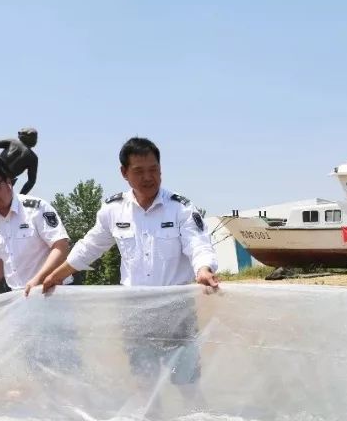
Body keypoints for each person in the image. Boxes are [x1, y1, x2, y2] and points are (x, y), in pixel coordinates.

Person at [40, 137, 218, 397]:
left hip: (176, 309)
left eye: (153, 169)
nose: (148, 177)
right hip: (135, 310)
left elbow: (198, 243)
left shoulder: (180, 207)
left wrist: (204, 269)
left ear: (161, 169)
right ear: (124, 173)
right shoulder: (113, 210)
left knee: (186, 381)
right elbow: (89, 247)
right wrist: (56, 275)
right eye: (139, 171)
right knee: (145, 381)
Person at [0, 156, 71, 311]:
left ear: (8, 182)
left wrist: (38, 279)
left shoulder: (36, 208)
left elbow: (61, 246)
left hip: (53, 294)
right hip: (20, 301)